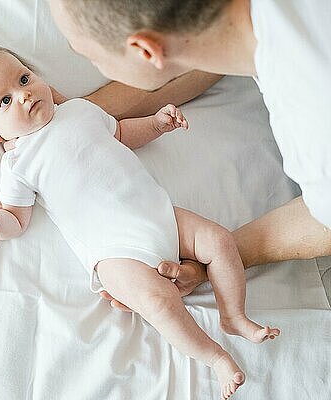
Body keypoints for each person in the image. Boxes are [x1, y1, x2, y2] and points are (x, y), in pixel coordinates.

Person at [0, 43, 280, 399]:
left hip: (158, 212)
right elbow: (18, 219)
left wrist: (156, 124)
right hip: (115, 252)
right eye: (5, 101)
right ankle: (216, 358)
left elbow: (120, 133)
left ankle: (233, 315)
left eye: (24, 79)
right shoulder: (18, 163)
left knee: (220, 241)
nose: (23, 95)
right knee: (160, 303)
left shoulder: (80, 110)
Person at [48, 0, 331, 310]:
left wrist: (211, 262)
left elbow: (323, 221)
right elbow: (198, 55)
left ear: (145, 51)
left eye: (88, 55)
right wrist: (61, 127)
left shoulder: (318, 142)